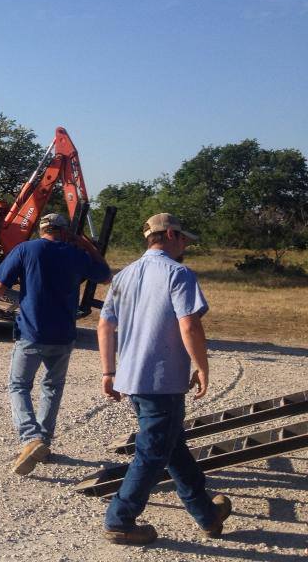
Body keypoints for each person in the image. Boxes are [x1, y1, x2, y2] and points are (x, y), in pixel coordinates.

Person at [98, 213, 231, 545]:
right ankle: (120, 519)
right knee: (153, 452)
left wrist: (108, 371)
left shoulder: (123, 276)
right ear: (170, 234)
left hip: (132, 380)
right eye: (183, 238)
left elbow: (104, 326)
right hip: (162, 381)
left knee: (171, 445)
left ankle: (207, 515)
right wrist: (202, 367)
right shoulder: (179, 274)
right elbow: (189, 325)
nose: (185, 244)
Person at [0, 212, 111, 475]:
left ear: (42, 229)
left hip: (31, 333)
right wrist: (88, 245)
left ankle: (30, 438)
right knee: (52, 387)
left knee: (18, 385)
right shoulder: (76, 254)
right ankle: (43, 443)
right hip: (64, 336)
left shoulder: (27, 249)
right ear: (65, 232)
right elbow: (105, 276)